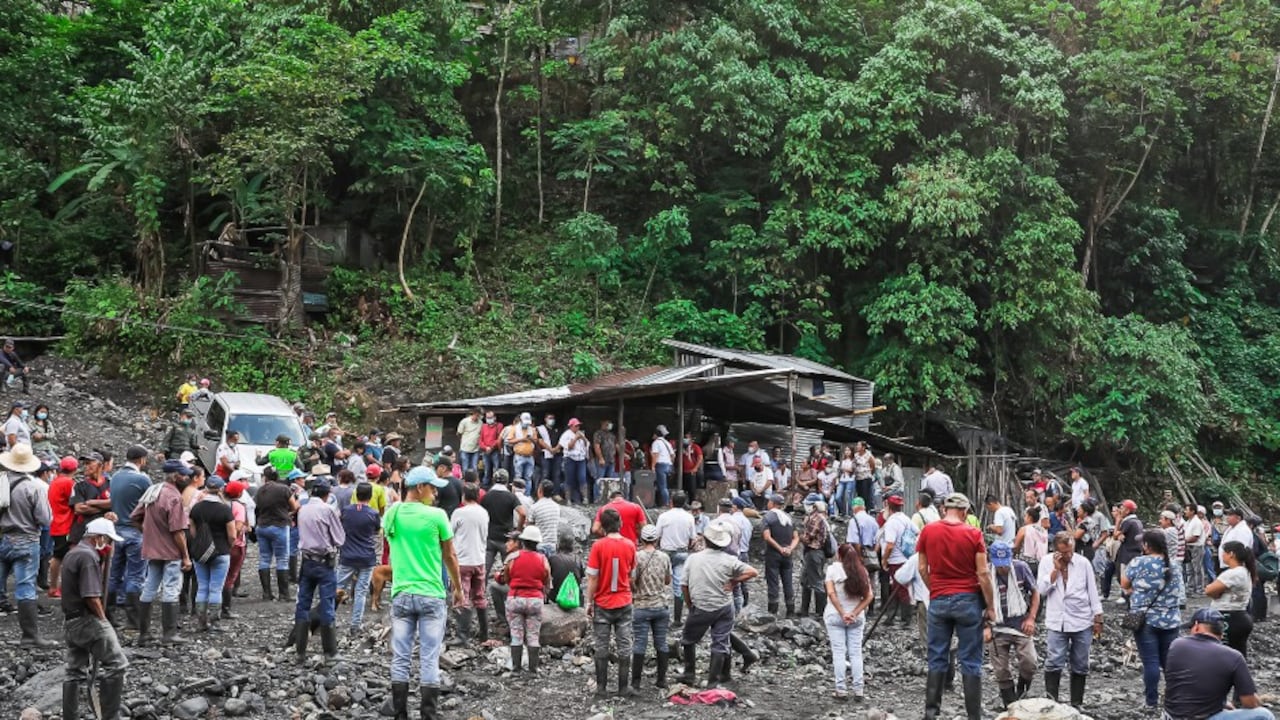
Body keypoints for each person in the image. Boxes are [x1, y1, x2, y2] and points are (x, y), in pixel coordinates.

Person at [384, 466, 463, 720]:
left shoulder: (392, 513)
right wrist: (458, 588)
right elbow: (450, 556)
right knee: (429, 657)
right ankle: (428, 715)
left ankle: (400, 714)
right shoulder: (437, 516)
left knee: (401, 657)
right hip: (431, 594)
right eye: (432, 488)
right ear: (420, 487)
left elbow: (390, 542)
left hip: (401, 593)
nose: (435, 493)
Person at [916, 493, 993, 720]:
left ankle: (931, 714)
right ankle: (973, 716)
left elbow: (922, 568)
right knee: (970, 660)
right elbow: (983, 573)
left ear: (943, 509)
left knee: (937, 656)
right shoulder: (974, 533)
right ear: (965, 511)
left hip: (939, 600)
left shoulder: (928, 531)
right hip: (968, 600)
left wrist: (935, 589)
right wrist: (990, 605)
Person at [59, 517, 129, 720]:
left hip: (71, 621)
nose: (108, 544)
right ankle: (110, 717)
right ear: (98, 537)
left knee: (74, 671)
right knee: (117, 665)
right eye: (107, 540)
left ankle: (70, 717)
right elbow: (90, 596)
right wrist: (103, 620)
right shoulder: (88, 557)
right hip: (86, 620)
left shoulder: (73, 553)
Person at [677, 519, 757, 687]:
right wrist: (734, 582)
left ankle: (689, 674)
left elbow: (684, 585)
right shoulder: (729, 560)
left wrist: (689, 604)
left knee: (689, 640)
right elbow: (753, 572)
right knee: (720, 643)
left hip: (702, 605)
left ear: (706, 540)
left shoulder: (694, 559)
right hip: (724, 606)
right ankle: (713, 681)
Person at [1163, 608, 1275, 720]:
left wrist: (1222, 704)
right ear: (1222, 634)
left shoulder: (1176, 644)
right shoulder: (1234, 656)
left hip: (1170, 716)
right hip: (1201, 717)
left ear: (1196, 626)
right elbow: (1249, 702)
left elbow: (1189, 683)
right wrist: (1257, 700)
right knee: (1265, 715)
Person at [1037, 531, 1103, 708]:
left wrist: (1098, 618)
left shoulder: (1083, 563)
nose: (1068, 555)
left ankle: (1076, 704)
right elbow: (1041, 590)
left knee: (1081, 663)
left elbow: (1092, 591)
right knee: (1053, 661)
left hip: (1081, 619)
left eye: (1070, 551)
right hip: (1057, 620)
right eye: (1064, 552)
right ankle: (1052, 703)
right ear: (1056, 551)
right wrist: (1055, 570)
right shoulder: (1046, 562)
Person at [132, 459, 194, 646]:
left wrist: (149, 534)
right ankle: (169, 633)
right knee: (171, 589)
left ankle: (144, 634)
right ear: (175, 477)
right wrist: (185, 556)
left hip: (152, 549)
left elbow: (134, 517)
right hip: (171, 551)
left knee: (149, 586)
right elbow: (177, 531)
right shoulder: (174, 497)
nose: (186, 478)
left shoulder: (154, 491)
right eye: (183, 474)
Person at [0, 443, 55, 647]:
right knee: (25, 586)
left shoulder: (2, 482)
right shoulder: (33, 487)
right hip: (26, 539)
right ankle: (30, 636)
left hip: (4, 538)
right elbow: (45, 519)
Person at [586, 507, 638, 698]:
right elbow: (632, 575)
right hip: (623, 601)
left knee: (601, 645)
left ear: (603, 526)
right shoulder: (630, 545)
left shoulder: (598, 546)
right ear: (620, 524)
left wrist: (589, 601)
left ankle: (601, 688)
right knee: (624, 644)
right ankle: (623, 687)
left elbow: (593, 577)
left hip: (603, 602)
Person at [986, 541, 1040, 709]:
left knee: (1029, 663)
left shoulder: (1021, 568)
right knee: (1000, 670)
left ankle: (1022, 692)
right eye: (999, 565)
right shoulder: (985, 573)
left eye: (1005, 564)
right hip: (997, 626)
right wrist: (985, 626)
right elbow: (978, 601)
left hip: (1020, 624)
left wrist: (1031, 618)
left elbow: (1035, 592)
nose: (1003, 568)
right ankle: (1010, 705)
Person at [495, 525, 550, 673]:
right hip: (535, 600)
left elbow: (504, 578)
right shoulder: (543, 559)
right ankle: (533, 670)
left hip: (516, 598)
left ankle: (516, 669)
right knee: (533, 636)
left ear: (523, 541)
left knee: (516, 634)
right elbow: (547, 581)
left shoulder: (512, 558)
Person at [822, 542, 873, 702]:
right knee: (856, 652)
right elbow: (869, 596)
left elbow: (831, 594)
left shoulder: (832, 569)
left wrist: (843, 613)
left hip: (835, 616)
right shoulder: (862, 571)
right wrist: (854, 613)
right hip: (856, 618)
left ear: (839, 555)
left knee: (839, 652)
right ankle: (859, 690)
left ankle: (841, 689)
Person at [188, 476, 235, 633]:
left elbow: (193, 531)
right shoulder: (225, 509)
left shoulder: (196, 508)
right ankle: (215, 623)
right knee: (216, 588)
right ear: (221, 489)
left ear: (206, 489)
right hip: (221, 551)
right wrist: (229, 546)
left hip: (200, 553)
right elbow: (232, 535)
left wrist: (200, 545)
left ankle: (201, 622)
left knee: (202, 587)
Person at [631, 524, 673, 689]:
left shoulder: (636, 556)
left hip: (641, 605)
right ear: (656, 540)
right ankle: (662, 680)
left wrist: (636, 590)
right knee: (661, 643)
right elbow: (667, 581)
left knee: (640, 643)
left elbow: (631, 580)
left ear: (641, 539)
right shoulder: (664, 557)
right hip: (660, 605)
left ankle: (636, 683)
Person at [337, 483, 380, 633]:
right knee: (361, 591)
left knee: (337, 588)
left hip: (347, 555)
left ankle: (328, 620)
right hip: (367, 556)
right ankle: (355, 625)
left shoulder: (346, 511)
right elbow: (376, 531)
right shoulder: (373, 513)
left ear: (356, 495)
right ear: (370, 496)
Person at [450, 483, 490, 644]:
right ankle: (484, 633)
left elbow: (449, 534)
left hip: (463, 560)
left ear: (464, 496)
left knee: (463, 596)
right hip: (479, 559)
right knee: (479, 596)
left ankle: (462, 636)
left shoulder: (459, 513)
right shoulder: (484, 512)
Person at [1206, 540, 1255, 658]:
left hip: (1228, 618)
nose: (1222, 555)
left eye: (1224, 552)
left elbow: (1209, 590)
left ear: (1231, 554)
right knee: (1238, 655)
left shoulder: (1233, 573)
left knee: (1225, 656)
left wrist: (1215, 592)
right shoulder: (1245, 571)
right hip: (1240, 616)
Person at [655, 491, 696, 625]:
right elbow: (693, 538)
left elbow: (657, 535)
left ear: (671, 502)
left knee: (659, 584)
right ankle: (677, 619)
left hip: (665, 553)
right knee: (679, 586)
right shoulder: (689, 517)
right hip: (681, 552)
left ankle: (658, 617)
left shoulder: (664, 516)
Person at [480, 470, 525, 574]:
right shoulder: (511, 496)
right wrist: (518, 530)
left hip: (490, 536)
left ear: (493, 480)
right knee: (509, 569)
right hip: (506, 538)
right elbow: (523, 513)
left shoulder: (487, 496)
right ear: (507, 481)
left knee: (485, 570)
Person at [880, 494, 915, 623]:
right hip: (906, 558)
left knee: (900, 588)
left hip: (896, 559)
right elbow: (917, 532)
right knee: (896, 587)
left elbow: (890, 545)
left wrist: (884, 560)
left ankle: (906, 618)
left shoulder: (892, 522)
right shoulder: (906, 519)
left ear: (888, 507)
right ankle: (891, 615)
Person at [762, 493, 798, 618]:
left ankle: (773, 611)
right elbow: (796, 537)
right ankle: (790, 610)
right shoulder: (789, 518)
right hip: (787, 555)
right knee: (788, 582)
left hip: (773, 554)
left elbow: (767, 537)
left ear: (772, 503)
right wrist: (790, 548)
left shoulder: (768, 517)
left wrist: (779, 548)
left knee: (773, 582)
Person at [47, 456, 78, 601]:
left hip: (55, 523)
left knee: (57, 556)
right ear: (75, 469)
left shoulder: (55, 481)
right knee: (64, 557)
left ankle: (54, 586)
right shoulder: (68, 483)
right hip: (65, 524)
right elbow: (75, 502)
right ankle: (57, 588)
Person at [220, 478, 249, 619]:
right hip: (234, 545)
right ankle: (226, 609)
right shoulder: (238, 506)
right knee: (230, 577)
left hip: (217, 543)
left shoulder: (219, 503)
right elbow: (238, 527)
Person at [799, 500, 832, 617]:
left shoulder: (816, 519)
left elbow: (808, 537)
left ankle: (820, 612)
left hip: (814, 552)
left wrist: (799, 537)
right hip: (819, 553)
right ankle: (805, 610)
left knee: (816, 581)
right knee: (806, 580)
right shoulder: (823, 519)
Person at [1112, 499, 1145, 603]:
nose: (1119, 510)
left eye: (1121, 508)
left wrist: (1118, 521)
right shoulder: (1137, 521)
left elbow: (1115, 535)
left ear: (1127, 510)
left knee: (1125, 577)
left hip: (1127, 554)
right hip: (1135, 553)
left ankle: (1129, 599)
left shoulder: (1128, 522)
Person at [558, 418, 590, 503]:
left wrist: (583, 438)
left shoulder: (581, 433)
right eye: (576, 426)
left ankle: (585, 498)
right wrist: (575, 438)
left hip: (581, 458)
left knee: (582, 478)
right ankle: (568, 499)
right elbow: (569, 447)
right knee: (569, 479)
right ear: (571, 426)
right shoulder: (566, 435)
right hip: (570, 458)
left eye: (578, 426)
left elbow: (587, 444)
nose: (578, 427)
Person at [507, 413, 539, 493]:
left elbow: (536, 441)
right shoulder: (514, 428)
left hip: (530, 456)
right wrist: (522, 439)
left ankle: (527, 494)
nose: (526, 425)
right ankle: (517, 495)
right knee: (518, 477)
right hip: (519, 456)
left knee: (528, 477)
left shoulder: (532, 429)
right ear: (521, 421)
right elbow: (509, 441)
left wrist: (531, 439)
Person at [526, 480, 559, 556]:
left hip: (539, 543)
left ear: (540, 491)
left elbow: (529, 526)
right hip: (553, 544)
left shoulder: (535, 507)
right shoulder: (556, 507)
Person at [535, 413, 561, 496]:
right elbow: (540, 441)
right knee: (545, 474)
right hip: (545, 454)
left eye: (553, 418)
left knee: (556, 474)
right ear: (545, 419)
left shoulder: (557, 429)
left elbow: (561, 440)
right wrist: (550, 449)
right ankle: (541, 493)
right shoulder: (540, 429)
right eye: (550, 418)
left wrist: (556, 449)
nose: (552, 420)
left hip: (557, 455)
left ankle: (556, 493)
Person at [1183, 504, 1207, 594]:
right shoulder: (1188, 522)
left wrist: (1183, 540)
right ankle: (1191, 587)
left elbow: (1195, 537)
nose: (1185, 512)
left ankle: (1199, 589)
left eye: (1187, 510)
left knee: (1197, 568)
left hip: (1196, 546)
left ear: (1192, 511)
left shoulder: (1196, 522)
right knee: (1189, 569)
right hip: (1189, 546)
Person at [650, 425, 675, 508]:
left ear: (656, 434)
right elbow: (673, 455)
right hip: (669, 466)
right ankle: (668, 502)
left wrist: (653, 466)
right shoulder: (667, 443)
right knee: (666, 486)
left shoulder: (656, 443)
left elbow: (655, 455)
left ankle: (665, 503)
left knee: (662, 486)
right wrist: (670, 463)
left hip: (660, 465)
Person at [479, 410, 505, 487]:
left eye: (490, 417)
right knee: (486, 469)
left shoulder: (499, 426)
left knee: (496, 469)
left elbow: (499, 439)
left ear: (494, 417)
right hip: (485, 451)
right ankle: (485, 485)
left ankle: (496, 485)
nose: (489, 419)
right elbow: (480, 440)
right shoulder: (483, 426)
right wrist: (485, 447)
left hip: (495, 451)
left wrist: (491, 448)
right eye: (487, 417)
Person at [593, 418, 620, 489]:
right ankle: (597, 495)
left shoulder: (612, 435)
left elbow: (616, 446)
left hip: (611, 461)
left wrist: (623, 455)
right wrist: (601, 458)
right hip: (602, 461)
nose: (609, 425)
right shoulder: (598, 434)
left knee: (610, 481)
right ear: (603, 424)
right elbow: (596, 446)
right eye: (607, 423)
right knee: (599, 480)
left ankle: (608, 495)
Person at [457, 408, 483, 475]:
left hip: (475, 449)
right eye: (477, 415)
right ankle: (466, 480)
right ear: (474, 414)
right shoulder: (464, 421)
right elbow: (458, 433)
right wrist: (463, 441)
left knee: (474, 467)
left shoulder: (480, 422)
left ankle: (474, 481)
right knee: (465, 468)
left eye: (479, 415)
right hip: (465, 448)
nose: (478, 417)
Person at [851, 442, 876, 511]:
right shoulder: (856, 455)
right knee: (860, 495)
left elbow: (873, 466)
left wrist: (869, 473)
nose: (857, 446)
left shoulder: (868, 455)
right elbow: (853, 465)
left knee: (866, 495)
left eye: (858, 445)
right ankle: (860, 509)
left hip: (866, 477)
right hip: (858, 478)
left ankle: (867, 510)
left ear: (863, 447)